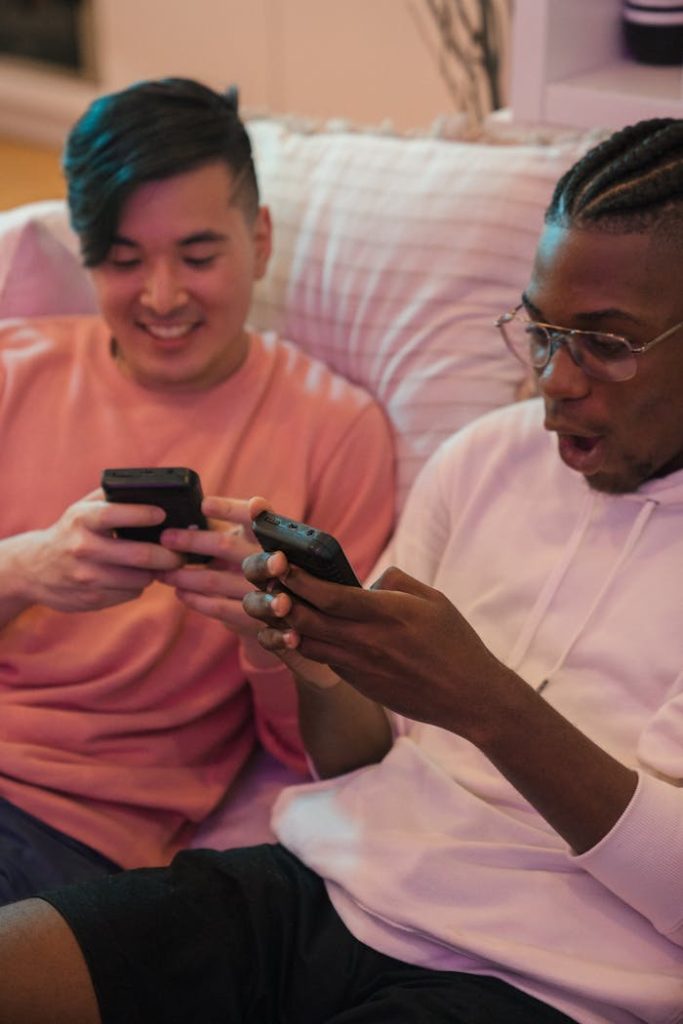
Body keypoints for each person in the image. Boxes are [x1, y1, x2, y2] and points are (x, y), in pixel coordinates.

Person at [0, 117, 682, 1024]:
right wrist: (311, 650)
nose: (554, 382)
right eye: (542, 330)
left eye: (606, 342)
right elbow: (360, 757)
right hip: (319, 888)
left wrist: (486, 703)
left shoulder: (329, 421)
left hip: (547, 975)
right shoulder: (485, 458)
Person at [0, 77, 394, 902]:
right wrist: (25, 571)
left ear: (259, 238)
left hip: (69, 834)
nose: (163, 297)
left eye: (199, 255)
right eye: (123, 259)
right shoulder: (15, 370)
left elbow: (333, 759)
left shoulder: (336, 431)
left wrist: (272, 638)